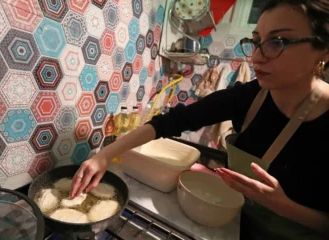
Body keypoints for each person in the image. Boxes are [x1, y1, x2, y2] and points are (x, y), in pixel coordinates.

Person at [70, 0, 329, 239]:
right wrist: (104, 156)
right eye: (256, 41)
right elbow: (174, 120)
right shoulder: (251, 97)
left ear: (324, 50)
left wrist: (284, 206)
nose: (257, 57)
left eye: (278, 41)